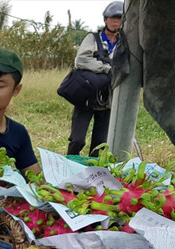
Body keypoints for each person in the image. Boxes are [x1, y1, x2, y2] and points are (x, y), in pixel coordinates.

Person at [67, 2, 124, 156]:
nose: (116, 22)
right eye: (113, 18)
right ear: (105, 20)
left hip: (107, 100)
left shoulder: (123, 43)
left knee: (99, 145)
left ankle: (93, 170)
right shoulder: (93, 38)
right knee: (77, 140)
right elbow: (81, 61)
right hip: (86, 96)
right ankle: (69, 165)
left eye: (119, 19)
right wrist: (106, 68)